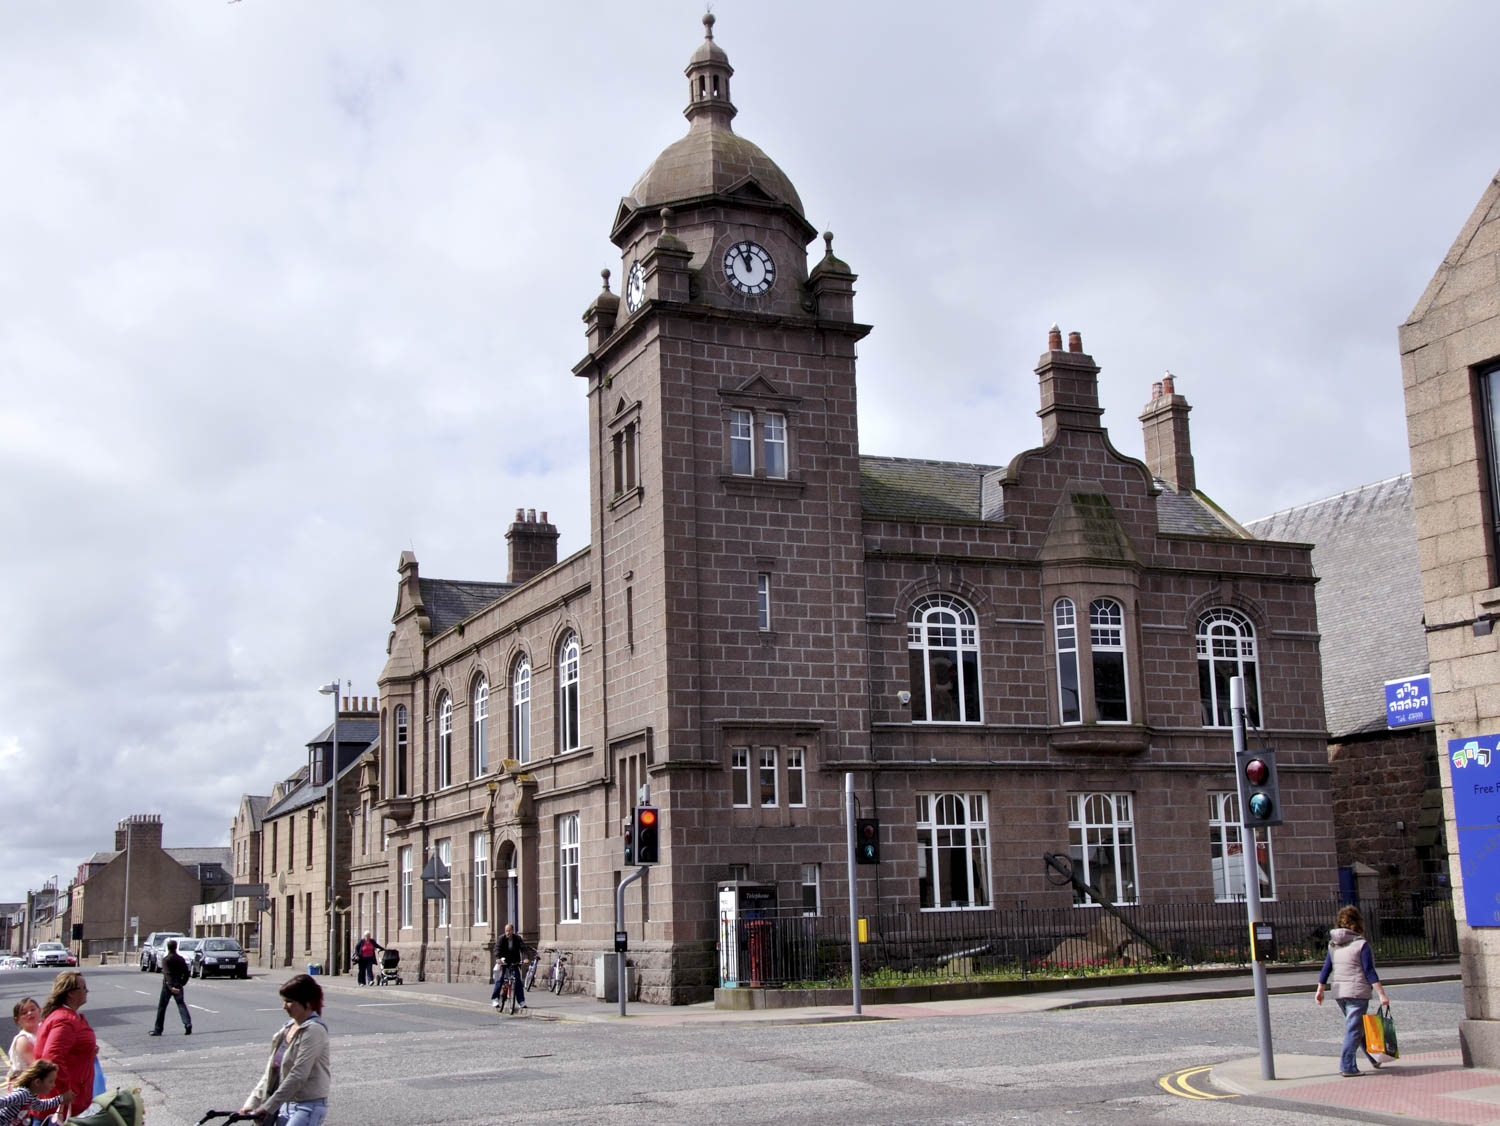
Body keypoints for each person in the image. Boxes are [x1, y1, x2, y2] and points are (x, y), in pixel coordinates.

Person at [239, 974, 330, 1126]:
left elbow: (298, 1074)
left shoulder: (314, 1031)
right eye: (284, 1001)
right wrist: (253, 1103)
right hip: (285, 1105)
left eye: (289, 1001)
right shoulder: (287, 1029)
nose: (284, 1006)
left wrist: (268, 1107)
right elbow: (271, 1072)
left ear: (307, 1003)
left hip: (308, 1106)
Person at [1315, 904, 1392, 1077]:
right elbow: (1369, 971)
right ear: (1358, 923)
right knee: (1354, 1029)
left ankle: (1374, 1057)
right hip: (1357, 993)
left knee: (1356, 1026)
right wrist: (1382, 994)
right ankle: (1347, 1066)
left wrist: (1320, 990)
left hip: (1339, 993)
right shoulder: (1361, 944)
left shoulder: (1333, 944)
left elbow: (1326, 968)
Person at [33, 971, 96, 1117]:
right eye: (83, 987)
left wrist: (89, 1050)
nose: (87, 990)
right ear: (71, 994)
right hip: (62, 1103)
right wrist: (64, 1090)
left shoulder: (66, 1016)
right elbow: (52, 1056)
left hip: (70, 1099)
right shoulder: (65, 1019)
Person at [0, 1059, 71, 1125]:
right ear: (37, 1082)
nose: (53, 1085)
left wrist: (60, 1099)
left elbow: (39, 1106)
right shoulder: (23, 1094)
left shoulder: (32, 1095)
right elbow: (3, 1102)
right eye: (50, 1082)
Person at [150, 939, 192, 1036]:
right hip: (178, 984)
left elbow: (167, 974)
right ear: (176, 947)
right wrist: (182, 983)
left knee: (162, 1008)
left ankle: (158, 1029)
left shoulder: (166, 959)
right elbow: (186, 973)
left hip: (167, 987)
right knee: (181, 1005)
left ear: (168, 948)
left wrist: (170, 986)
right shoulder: (181, 959)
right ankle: (187, 1024)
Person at [490, 924, 527, 1010]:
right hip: (504, 963)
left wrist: (525, 958)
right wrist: (498, 958)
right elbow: (497, 949)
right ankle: (495, 999)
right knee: (500, 979)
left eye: (509, 931)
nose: (507, 933)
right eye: (506, 931)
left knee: (518, 980)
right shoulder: (501, 939)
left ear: (512, 931)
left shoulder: (517, 939)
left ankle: (521, 1001)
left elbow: (523, 949)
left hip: (514, 962)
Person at [5, 999, 40, 1088]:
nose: (29, 1013)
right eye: (24, 1013)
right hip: (28, 1085)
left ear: (39, 1010)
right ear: (17, 1020)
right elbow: (36, 1065)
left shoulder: (44, 1028)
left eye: (32, 1009)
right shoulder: (23, 1040)